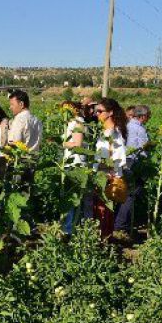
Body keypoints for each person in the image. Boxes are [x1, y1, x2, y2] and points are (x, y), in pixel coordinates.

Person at [91, 98, 128, 240]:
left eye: (100, 111)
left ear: (110, 113)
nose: (97, 114)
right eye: (96, 111)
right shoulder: (105, 131)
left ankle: (104, 241)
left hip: (107, 178)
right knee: (100, 212)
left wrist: (102, 169)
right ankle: (102, 240)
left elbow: (119, 159)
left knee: (104, 212)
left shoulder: (114, 134)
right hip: (101, 177)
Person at [113, 104, 151, 236]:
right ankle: (121, 225)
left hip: (124, 162)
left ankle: (118, 222)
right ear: (143, 116)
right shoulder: (139, 129)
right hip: (134, 163)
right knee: (131, 194)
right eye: (148, 116)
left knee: (123, 193)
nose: (148, 119)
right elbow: (142, 149)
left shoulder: (127, 125)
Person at [60, 100, 90, 236]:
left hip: (75, 164)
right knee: (71, 198)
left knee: (72, 199)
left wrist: (62, 143)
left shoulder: (78, 122)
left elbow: (77, 143)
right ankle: (72, 228)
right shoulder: (72, 122)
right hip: (70, 163)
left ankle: (68, 230)